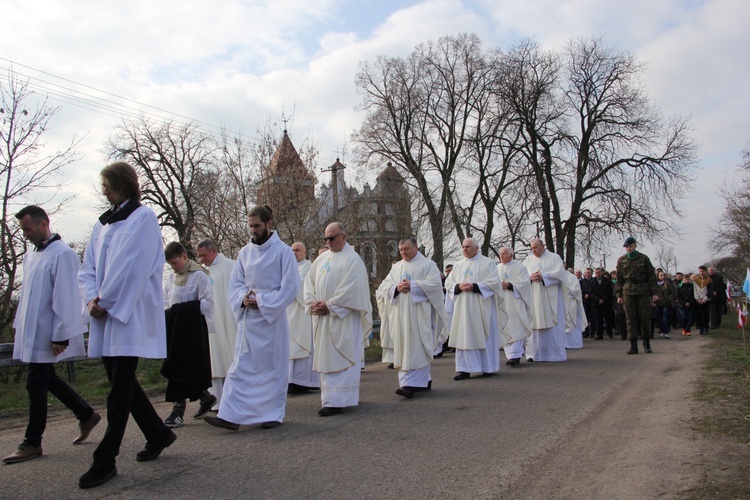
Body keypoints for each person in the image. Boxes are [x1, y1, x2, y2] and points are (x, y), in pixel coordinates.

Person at [78, 162, 175, 489]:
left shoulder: (143, 217)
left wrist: (107, 302)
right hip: (104, 313)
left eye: (106, 183)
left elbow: (134, 265)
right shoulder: (102, 224)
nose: (103, 190)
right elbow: (87, 267)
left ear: (121, 183)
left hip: (127, 314)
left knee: (119, 391)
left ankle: (105, 460)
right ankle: (158, 433)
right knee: (123, 383)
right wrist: (91, 299)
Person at [2, 206, 100, 465]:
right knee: (48, 379)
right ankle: (86, 413)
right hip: (34, 331)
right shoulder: (33, 254)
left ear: (43, 223)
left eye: (27, 228)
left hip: (50, 333)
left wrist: (61, 335)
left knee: (36, 382)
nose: (25, 234)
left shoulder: (63, 254)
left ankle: (32, 442)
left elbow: (66, 297)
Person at [204, 206, 299, 430]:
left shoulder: (283, 252)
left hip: (271, 320)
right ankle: (230, 416)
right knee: (240, 368)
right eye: (250, 226)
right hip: (249, 319)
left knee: (272, 369)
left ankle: (273, 414)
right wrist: (242, 298)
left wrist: (263, 302)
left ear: (269, 223)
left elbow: (291, 287)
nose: (253, 230)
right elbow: (235, 284)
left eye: (257, 225)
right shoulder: (245, 253)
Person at [304, 222, 372, 416]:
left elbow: (352, 288)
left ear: (343, 236)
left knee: (341, 354)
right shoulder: (321, 259)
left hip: (343, 319)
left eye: (332, 238)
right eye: (326, 238)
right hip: (323, 319)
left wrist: (330, 305)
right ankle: (329, 399)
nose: (328, 241)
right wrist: (312, 303)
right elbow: (309, 284)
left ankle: (340, 400)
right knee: (325, 356)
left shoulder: (353, 259)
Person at [376, 238, 449, 398]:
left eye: (407, 249)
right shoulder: (397, 268)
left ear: (416, 248)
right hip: (400, 316)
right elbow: (383, 287)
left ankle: (410, 384)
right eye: (401, 250)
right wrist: (396, 287)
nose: (403, 252)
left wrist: (413, 285)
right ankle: (422, 381)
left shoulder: (428, 265)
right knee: (404, 346)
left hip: (419, 315)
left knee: (417, 346)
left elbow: (435, 286)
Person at [161, 242, 215, 427]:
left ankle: (177, 412)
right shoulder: (170, 277)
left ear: (184, 257)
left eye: (175, 262)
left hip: (193, 329)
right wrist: (171, 313)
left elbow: (208, 302)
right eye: (170, 264)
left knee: (189, 368)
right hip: (176, 329)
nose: (174, 267)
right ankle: (205, 397)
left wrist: (184, 311)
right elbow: (165, 300)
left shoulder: (199, 276)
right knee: (178, 368)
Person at [445, 238, 504, 379]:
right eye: (463, 247)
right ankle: (463, 369)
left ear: (477, 248)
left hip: (481, 306)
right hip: (463, 308)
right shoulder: (458, 265)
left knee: (483, 333)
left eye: (468, 247)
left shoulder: (488, 263)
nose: (465, 249)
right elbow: (448, 282)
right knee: (463, 335)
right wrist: (458, 286)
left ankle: (487, 366)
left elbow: (494, 283)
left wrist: (475, 286)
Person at [196, 239, 238, 410]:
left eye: (204, 255)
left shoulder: (231, 266)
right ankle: (216, 400)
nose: (202, 259)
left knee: (229, 357)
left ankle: (233, 399)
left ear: (213, 251)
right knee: (213, 359)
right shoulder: (201, 272)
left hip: (228, 320)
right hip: (210, 322)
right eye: (199, 256)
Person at [523, 239, 569, 362]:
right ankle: (534, 354)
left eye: (535, 247)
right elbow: (521, 276)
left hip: (549, 299)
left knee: (552, 325)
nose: (533, 250)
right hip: (534, 297)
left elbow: (560, 274)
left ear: (543, 246)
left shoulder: (554, 258)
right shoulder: (528, 260)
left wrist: (543, 276)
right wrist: (530, 277)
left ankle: (554, 354)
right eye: (531, 248)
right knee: (534, 322)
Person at [615, 237, 659, 354]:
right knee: (630, 319)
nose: (628, 249)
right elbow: (619, 279)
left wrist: (654, 293)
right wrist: (619, 294)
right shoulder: (621, 260)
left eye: (630, 246)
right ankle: (633, 344)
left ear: (635, 246)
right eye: (626, 247)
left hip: (642, 291)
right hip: (628, 292)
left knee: (645, 317)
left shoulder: (643, 258)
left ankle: (646, 342)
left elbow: (651, 277)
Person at [287, 241, 320, 394]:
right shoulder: (288, 268)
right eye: (292, 250)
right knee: (290, 347)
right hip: (288, 311)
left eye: (297, 250)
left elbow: (306, 289)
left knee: (302, 345)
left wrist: (289, 285)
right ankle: (290, 379)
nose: (294, 253)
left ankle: (302, 381)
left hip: (302, 313)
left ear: (305, 253)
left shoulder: (310, 267)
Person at [496, 247, 532, 366]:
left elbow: (525, 284)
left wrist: (510, 285)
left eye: (504, 254)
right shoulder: (496, 268)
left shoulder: (520, 267)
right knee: (505, 326)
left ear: (511, 255)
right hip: (501, 302)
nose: (502, 256)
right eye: (501, 254)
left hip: (515, 302)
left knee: (516, 327)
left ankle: (515, 356)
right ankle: (510, 355)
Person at [589, 267, 614, 339]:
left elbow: (609, 291)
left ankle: (609, 332)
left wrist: (603, 299)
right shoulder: (592, 281)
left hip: (606, 303)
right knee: (598, 320)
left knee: (608, 318)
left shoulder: (607, 281)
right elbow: (591, 292)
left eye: (599, 273)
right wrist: (598, 300)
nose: (597, 274)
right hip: (596, 304)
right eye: (596, 273)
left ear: (601, 273)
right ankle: (599, 334)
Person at [654, 271, 675, 339]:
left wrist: (669, 299)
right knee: (659, 319)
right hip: (658, 303)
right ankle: (662, 331)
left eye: (663, 275)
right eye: (661, 275)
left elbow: (671, 293)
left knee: (665, 318)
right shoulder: (655, 285)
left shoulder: (667, 284)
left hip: (666, 303)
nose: (662, 276)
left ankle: (666, 332)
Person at [692, 268, 711, 335]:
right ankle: (701, 328)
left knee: (706, 315)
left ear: (705, 271)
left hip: (706, 300)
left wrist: (705, 299)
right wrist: (698, 299)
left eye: (703, 271)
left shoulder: (709, 280)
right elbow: (695, 291)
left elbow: (710, 291)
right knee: (699, 315)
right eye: (700, 271)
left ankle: (706, 328)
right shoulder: (696, 280)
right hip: (698, 300)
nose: (701, 272)